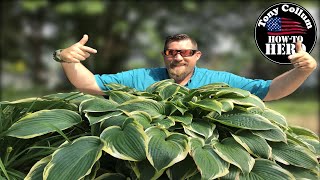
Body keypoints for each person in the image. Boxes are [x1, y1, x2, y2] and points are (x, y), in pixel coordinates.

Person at [53, 33, 317, 101]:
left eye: (186, 52)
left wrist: (302, 70)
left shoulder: (218, 80)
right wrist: (67, 59)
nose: (178, 58)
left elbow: (270, 91)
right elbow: (89, 84)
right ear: (164, 55)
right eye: (171, 52)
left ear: (197, 56)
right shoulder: (142, 77)